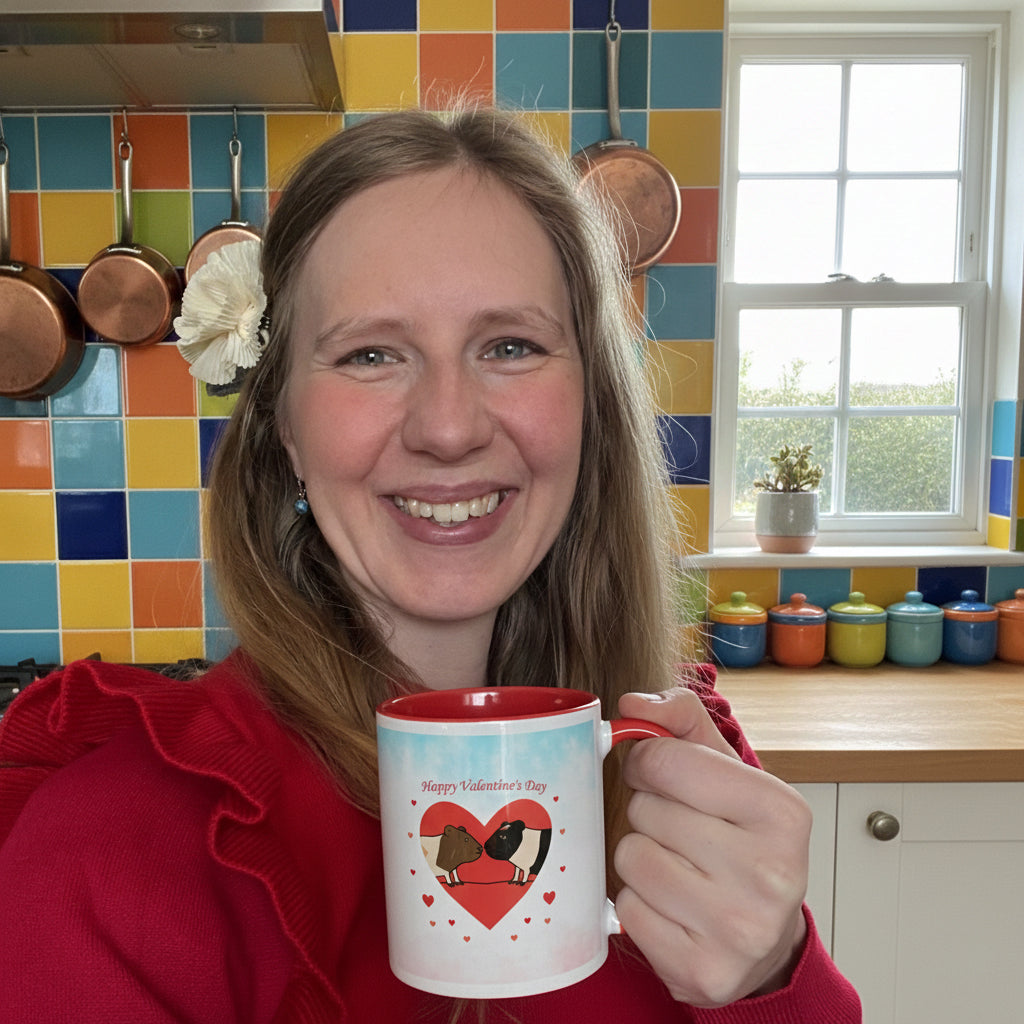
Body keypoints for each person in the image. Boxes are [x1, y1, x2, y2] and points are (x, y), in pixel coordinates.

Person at [0, 106, 860, 1022]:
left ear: (588, 408)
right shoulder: (111, 853)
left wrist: (775, 976)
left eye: (511, 346)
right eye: (371, 354)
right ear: (284, 428)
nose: (448, 428)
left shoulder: (678, 769)